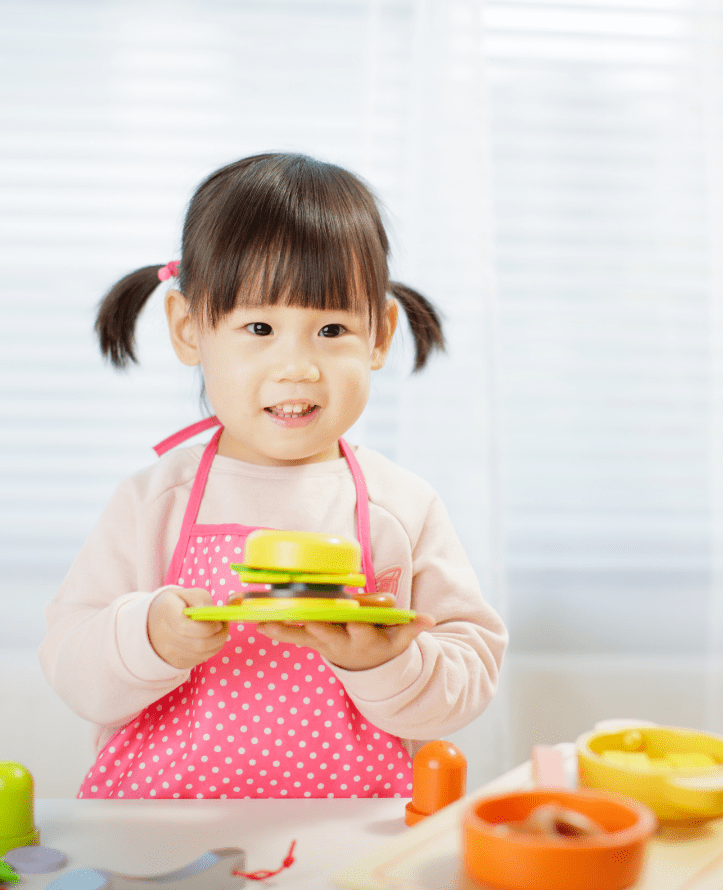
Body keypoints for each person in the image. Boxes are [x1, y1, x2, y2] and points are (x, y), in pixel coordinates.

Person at [39, 152, 508, 800]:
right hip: (161, 828)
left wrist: (389, 662)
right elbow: (69, 661)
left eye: (332, 329)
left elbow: (468, 675)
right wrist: (150, 635)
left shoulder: (403, 506)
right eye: (259, 326)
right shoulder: (155, 502)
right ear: (188, 329)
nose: (299, 367)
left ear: (379, 335)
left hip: (349, 837)